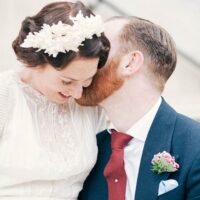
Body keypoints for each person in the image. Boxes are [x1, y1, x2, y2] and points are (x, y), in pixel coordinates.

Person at [77, 16, 200, 200]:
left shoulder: (195, 146)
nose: (85, 61)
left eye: (99, 52)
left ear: (130, 62)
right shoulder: (88, 151)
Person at [0, 1, 110, 199]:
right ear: (36, 61)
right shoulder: (4, 95)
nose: (77, 93)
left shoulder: (89, 105)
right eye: (67, 81)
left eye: (86, 81)